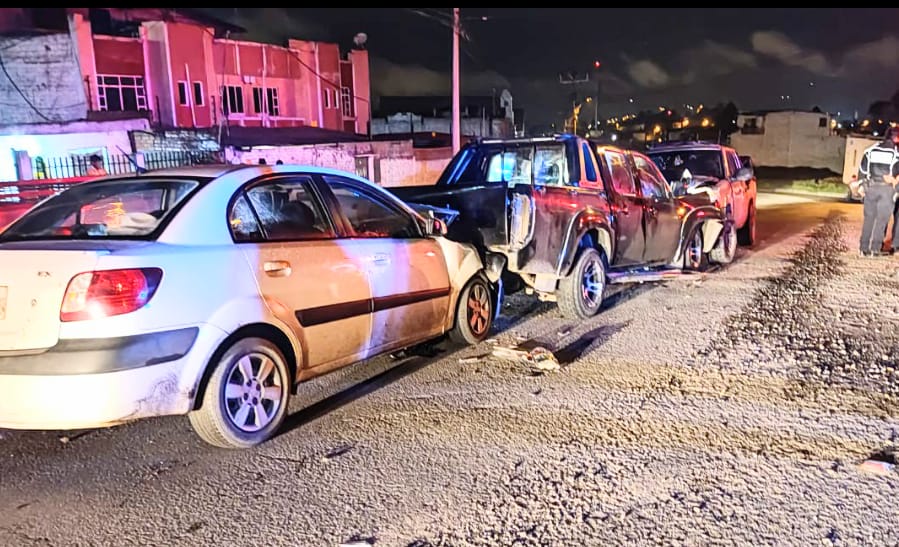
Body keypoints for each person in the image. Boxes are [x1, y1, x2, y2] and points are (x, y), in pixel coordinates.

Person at [858, 127, 899, 256]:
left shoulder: (870, 150)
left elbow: (862, 170)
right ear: (896, 138)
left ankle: (863, 248)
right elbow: (896, 174)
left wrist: (862, 185)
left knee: (868, 219)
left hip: (870, 187)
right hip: (886, 189)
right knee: (881, 220)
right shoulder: (895, 153)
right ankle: (875, 249)